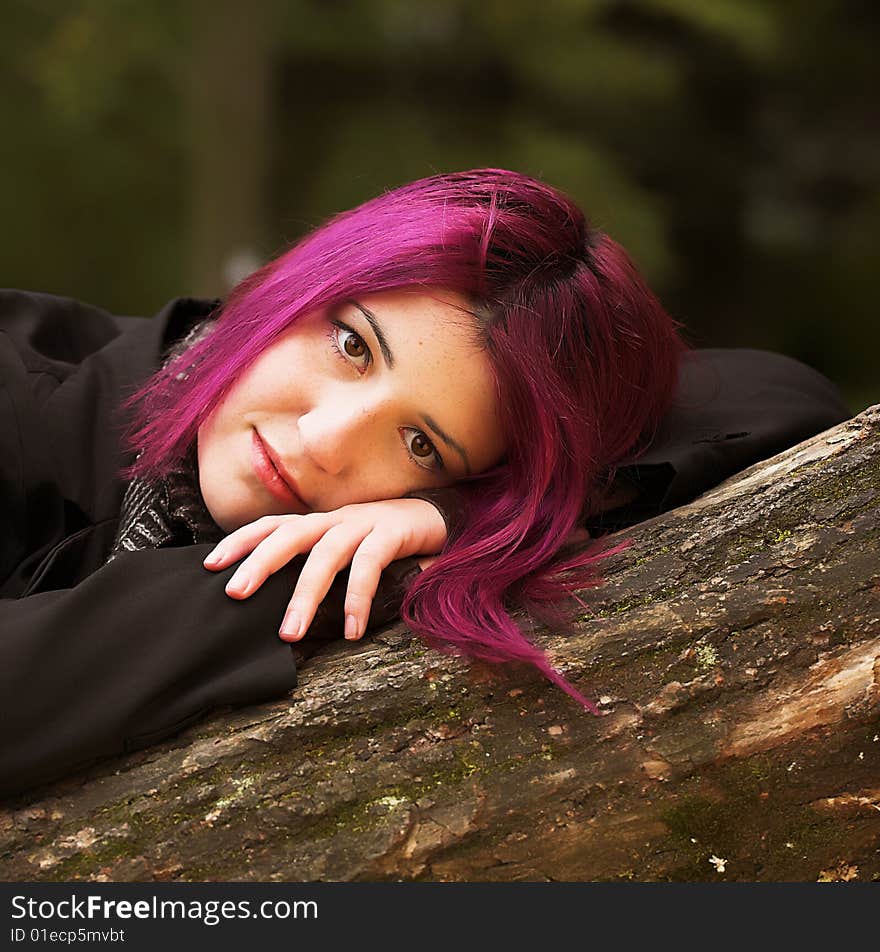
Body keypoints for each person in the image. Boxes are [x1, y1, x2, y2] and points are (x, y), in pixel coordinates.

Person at [0, 169, 851, 798]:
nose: (324, 441)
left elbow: (777, 395)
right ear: (301, 280)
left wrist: (463, 518)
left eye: (419, 442)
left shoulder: (430, 502)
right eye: (351, 345)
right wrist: (307, 582)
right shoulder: (20, 390)